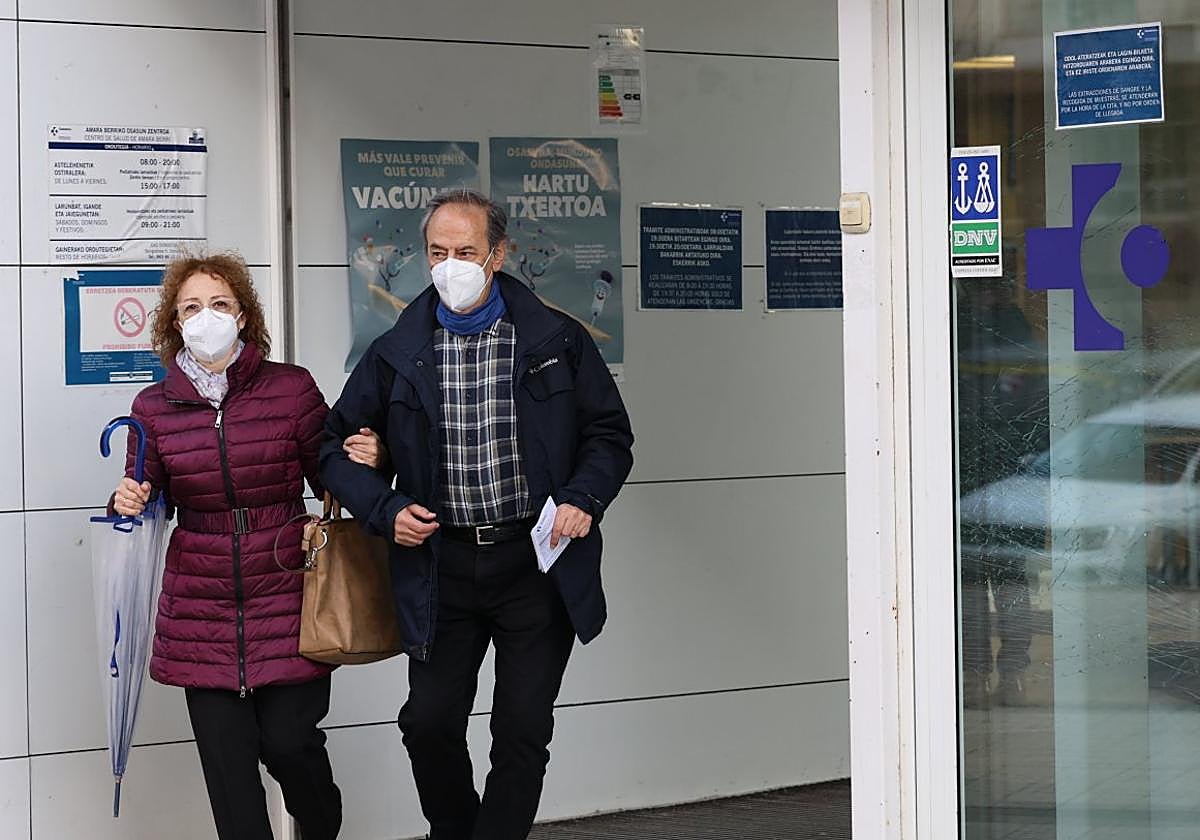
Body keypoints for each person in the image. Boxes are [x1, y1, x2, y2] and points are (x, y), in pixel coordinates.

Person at [320, 190, 634, 840]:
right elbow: (331, 448)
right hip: (440, 566)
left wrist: (582, 497)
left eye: (466, 252)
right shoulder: (397, 350)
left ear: (499, 253)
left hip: (534, 564)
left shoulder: (555, 341)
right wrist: (383, 506)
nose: (450, 265)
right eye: (438, 252)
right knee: (427, 723)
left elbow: (608, 434)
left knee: (522, 728)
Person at [109, 252, 385, 840]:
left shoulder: (291, 388)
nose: (206, 317)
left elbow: (328, 471)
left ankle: (320, 827)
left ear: (243, 313)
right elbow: (145, 487)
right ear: (173, 322)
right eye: (191, 307)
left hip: (286, 588)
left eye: (220, 303)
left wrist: (370, 460)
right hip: (199, 604)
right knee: (230, 777)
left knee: (291, 746)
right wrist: (127, 499)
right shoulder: (153, 408)